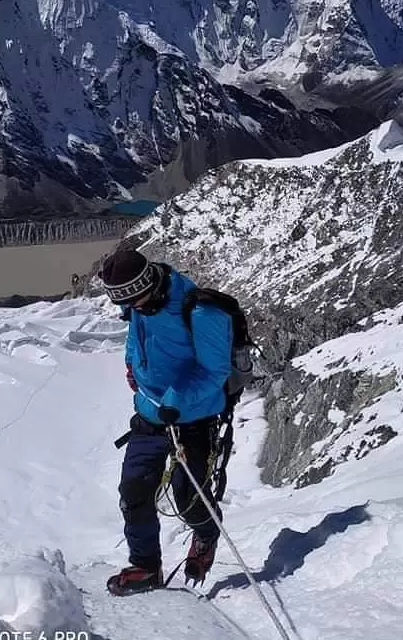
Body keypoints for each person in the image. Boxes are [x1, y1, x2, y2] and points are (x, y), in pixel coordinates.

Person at [100, 249, 233, 596]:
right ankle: (146, 567)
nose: (134, 309)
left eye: (137, 301)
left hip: (193, 418)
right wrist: (133, 367)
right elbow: (136, 337)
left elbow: (214, 370)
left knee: (188, 496)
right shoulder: (138, 304)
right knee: (133, 492)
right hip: (149, 414)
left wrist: (175, 401)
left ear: (151, 285)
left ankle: (206, 533)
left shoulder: (200, 311)